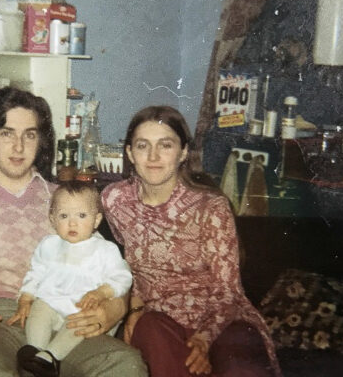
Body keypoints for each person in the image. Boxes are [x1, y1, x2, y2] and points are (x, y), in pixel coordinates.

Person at [0, 87, 147, 377]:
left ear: (42, 141)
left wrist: (114, 310)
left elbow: (110, 267)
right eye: (7, 133)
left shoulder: (67, 199)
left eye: (30, 134)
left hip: (63, 319)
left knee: (126, 364)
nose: (19, 146)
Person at [101, 105, 282, 377]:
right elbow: (129, 264)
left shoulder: (211, 207)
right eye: (142, 145)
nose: (153, 156)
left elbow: (228, 292)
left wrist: (204, 339)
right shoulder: (114, 199)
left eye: (165, 145)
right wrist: (136, 308)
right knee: (152, 334)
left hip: (222, 320)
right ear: (129, 153)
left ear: (183, 152)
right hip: (159, 321)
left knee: (242, 369)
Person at [9, 181, 132, 377]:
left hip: (80, 308)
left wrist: (102, 292)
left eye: (82, 215)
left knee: (79, 324)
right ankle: (33, 350)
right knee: (39, 309)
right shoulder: (49, 245)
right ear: (52, 219)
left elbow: (122, 277)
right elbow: (36, 271)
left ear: (96, 220)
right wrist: (25, 297)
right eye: (64, 216)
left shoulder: (105, 250)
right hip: (51, 303)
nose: (72, 223)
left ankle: (50, 357)